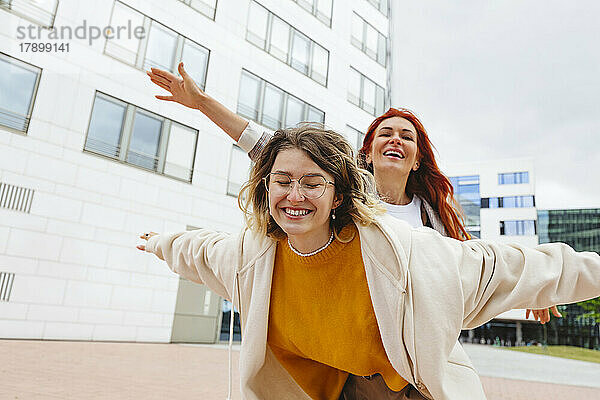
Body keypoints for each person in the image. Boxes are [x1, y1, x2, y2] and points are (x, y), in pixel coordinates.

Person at [137, 123, 600, 400]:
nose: (293, 196)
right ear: (265, 188)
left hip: (409, 389)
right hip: (336, 390)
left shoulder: (404, 252)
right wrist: (160, 240)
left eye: (312, 183)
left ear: (338, 193)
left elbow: (516, 266)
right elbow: (194, 251)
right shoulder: (248, 255)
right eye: (282, 181)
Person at [146, 62, 560, 325]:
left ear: (417, 158)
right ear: (369, 149)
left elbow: (471, 275)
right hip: (341, 333)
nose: (395, 140)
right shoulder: (344, 193)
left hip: (406, 347)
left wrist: (533, 288)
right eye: (386, 133)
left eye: (406, 137)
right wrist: (202, 104)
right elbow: (265, 144)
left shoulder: (434, 216)